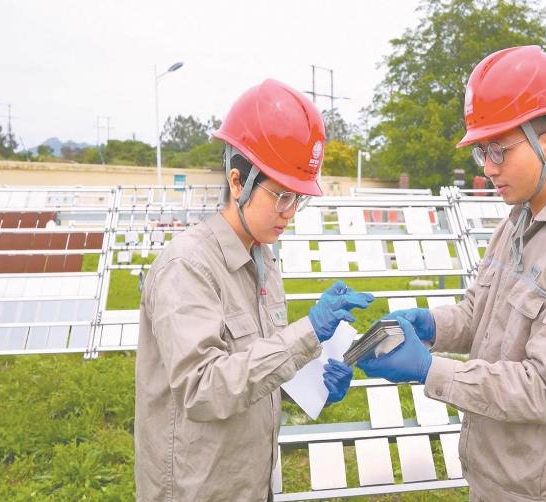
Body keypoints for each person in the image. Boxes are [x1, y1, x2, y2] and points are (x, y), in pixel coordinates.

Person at [357, 46, 546, 501]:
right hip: (494, 476)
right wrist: (432, 326)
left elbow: (545, 389)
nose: (488, 168)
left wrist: (430, 369)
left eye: (499, 151)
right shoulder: (518, 221)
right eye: (481, 152)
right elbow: (480, 315)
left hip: (543, 491)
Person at [134, 79, 373, 501]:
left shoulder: (263, 260)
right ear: (237, 182)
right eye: (282, 196)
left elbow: (255, 367)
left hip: (251, 482)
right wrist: (305, 333)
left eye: (299, 199)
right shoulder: (187, 266)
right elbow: (203, 388)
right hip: (198, 489)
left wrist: (314, 380)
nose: (290, 213)